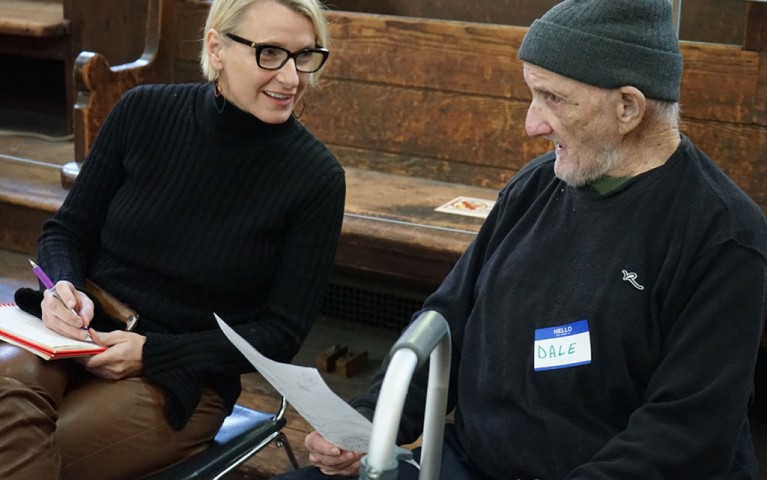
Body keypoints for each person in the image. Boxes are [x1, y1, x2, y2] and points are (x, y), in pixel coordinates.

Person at [274, 0, 767, 478]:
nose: (531, 124)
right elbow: (447, 319)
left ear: (628, 108)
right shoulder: (536, 187)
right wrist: (370, 421)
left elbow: (688, 432)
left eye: (553, 98)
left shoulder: (721, 237)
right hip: (472, 462)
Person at [0, 0, 345, 478]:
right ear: (216, 47)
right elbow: (67, 230)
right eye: (269, 53)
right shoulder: (144, 111)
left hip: (182, 375)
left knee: (36, 453)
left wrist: (153, 353)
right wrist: (63, 286)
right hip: (76, 333)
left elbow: (279, 335)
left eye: (304, 56)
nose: (290, 77)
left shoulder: (316, 178)